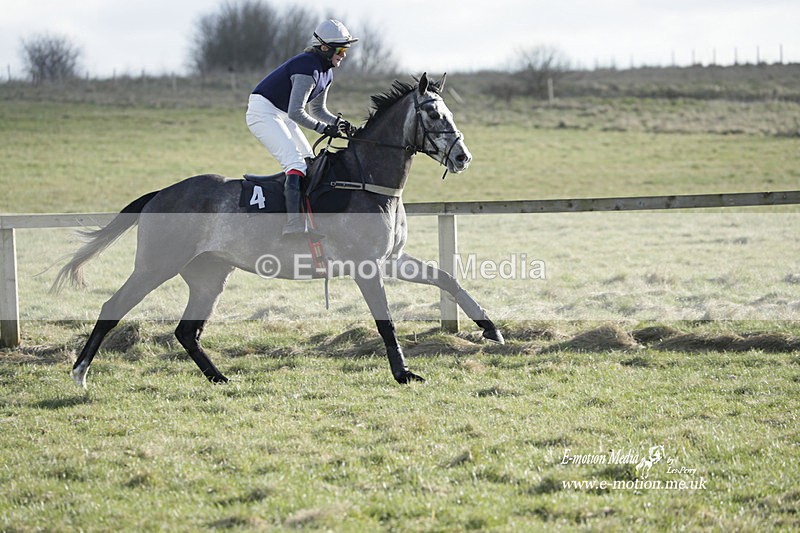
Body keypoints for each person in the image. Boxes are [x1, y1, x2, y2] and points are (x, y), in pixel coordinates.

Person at [246, 19, 358, 236]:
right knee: (295, 164)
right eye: (341, 49)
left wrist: (338, 123)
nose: (344, 54)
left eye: (346, 49)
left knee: (310, 161)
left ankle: (309, 217)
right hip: (263, 112)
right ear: (324, 48)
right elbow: (296, 112)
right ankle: (294, 226)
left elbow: (317, 110)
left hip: (281, 114)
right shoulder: (307, 67)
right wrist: (324, 129)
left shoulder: (327, 72)